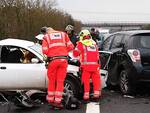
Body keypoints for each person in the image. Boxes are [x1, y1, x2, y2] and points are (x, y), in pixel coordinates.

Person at [42, 27, 74, 109]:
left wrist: (53, 53)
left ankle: (50, 100)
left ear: (47, 32)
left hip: (53, 61)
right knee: (60, 81)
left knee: (52, 81)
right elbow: (71, 47)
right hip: (63, 60)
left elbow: (45, 51)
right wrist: (63, 51)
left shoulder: (46, 37)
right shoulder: (64, 34)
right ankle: (57, 101)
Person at [73, 29, 101, 103]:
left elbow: (75, 54)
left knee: (86, 82)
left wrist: (76, 46)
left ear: (82, 36)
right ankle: (96, 96)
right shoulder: (94, 43)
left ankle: (86, 97)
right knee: (96, 82)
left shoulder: (81, 44)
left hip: (86, 67)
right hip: (95, 67)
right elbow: (98, 56)